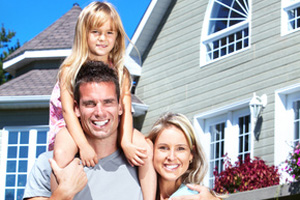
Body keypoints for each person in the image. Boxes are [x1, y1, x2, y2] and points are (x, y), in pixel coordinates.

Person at [48, 2, 155, 199]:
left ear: (117, 36)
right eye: (96, 31)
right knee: (62, 153)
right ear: (84, 33)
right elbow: (68, 112)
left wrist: (126, 143)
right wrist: (83, 145)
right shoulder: (69, 69)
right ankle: (61, 194)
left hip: (110, 125)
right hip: (71, 126)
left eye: (109, 33)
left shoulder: (121, 72)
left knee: (146, 149)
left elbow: (127, 110)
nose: (103, 38)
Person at [23, 61, 144, 200]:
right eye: (90, 104)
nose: (100, 112)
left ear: (120, 107)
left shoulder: (141, 164)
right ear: (76, 109)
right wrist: (63, 193)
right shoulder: (49, 165)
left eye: (108, 102)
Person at [147, 112, 224, 200]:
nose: (171, 157)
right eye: (163, 148)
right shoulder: (139, 191)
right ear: (151, 149)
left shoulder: (192, 196)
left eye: (180, 149)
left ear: (191, 154)